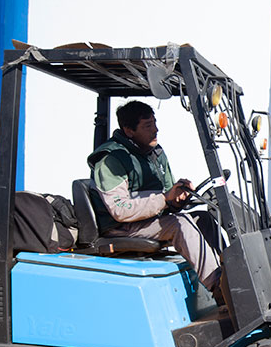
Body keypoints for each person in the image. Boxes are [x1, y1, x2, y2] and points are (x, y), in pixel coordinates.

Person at [88, 101, 221, 291]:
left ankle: (230, 273)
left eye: (154, 123)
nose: (155, 130)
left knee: (204, 219)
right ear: (129, 130)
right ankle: (219, 288)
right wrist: (164, 199)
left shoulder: (155, 154)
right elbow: (119, 210)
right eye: (148, 126)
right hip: (121, 227)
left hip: (149, 221)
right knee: (181, 224)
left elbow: (167, 196)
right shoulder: (111, 160)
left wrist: (178, 197)